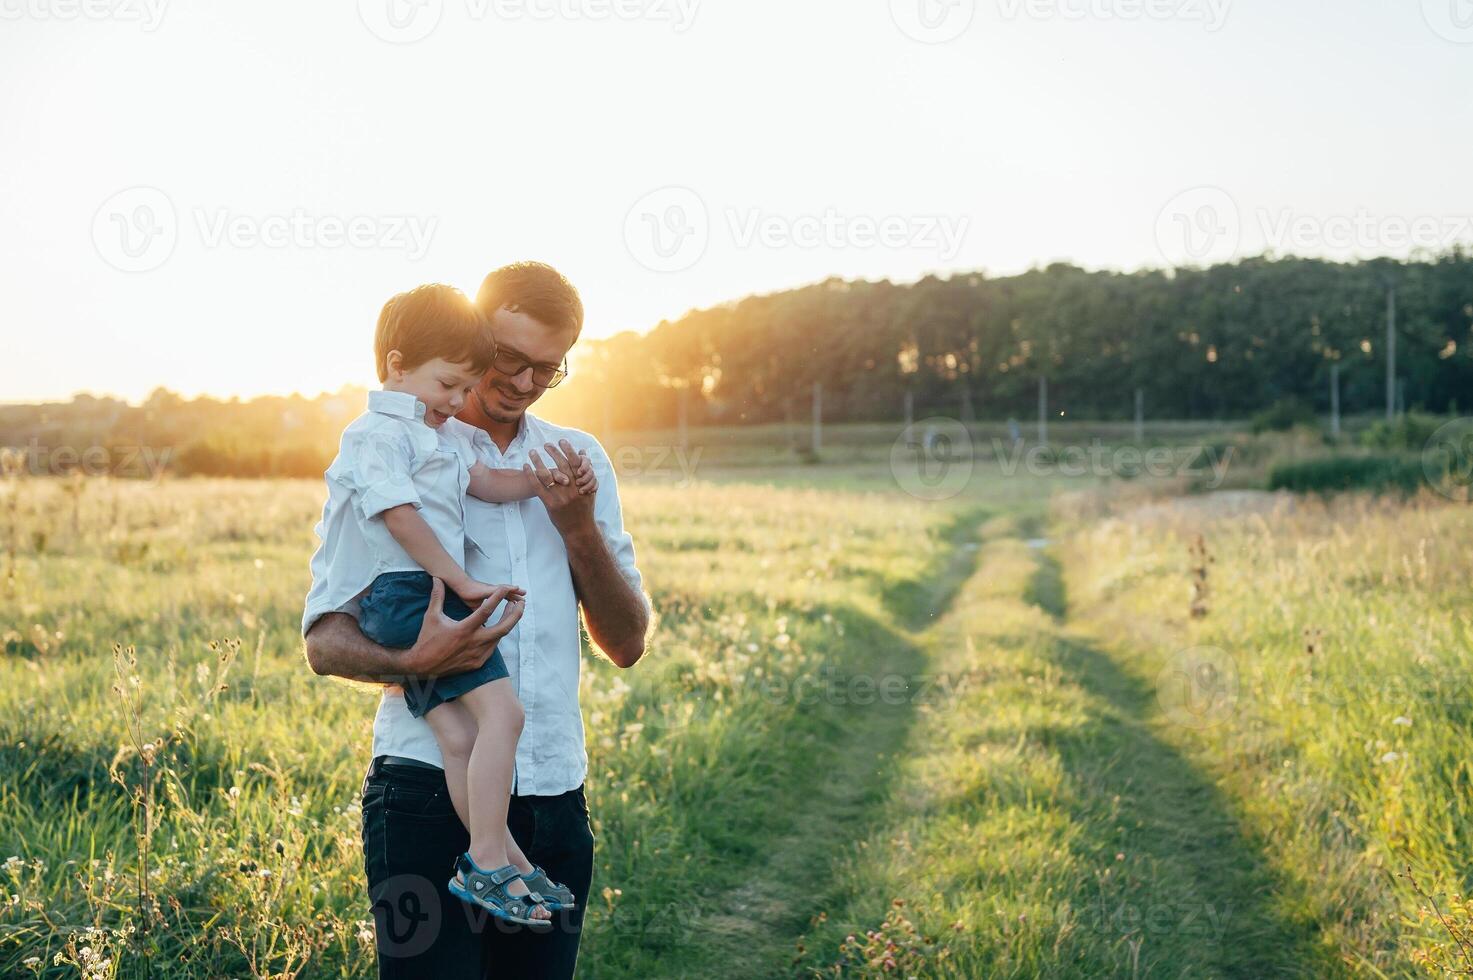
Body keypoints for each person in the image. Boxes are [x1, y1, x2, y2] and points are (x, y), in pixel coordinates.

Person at [304, 262, 650, 979]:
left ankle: (505, 858)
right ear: (471, 339)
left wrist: (577, 526)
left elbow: (626, 643)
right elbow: (322, 640)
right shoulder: (391, 449)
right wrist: (415, 662)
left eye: (547, 369)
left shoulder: (576, 460)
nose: (523, 383)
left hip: (554, 796)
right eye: (509, 359)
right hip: (423, 795)